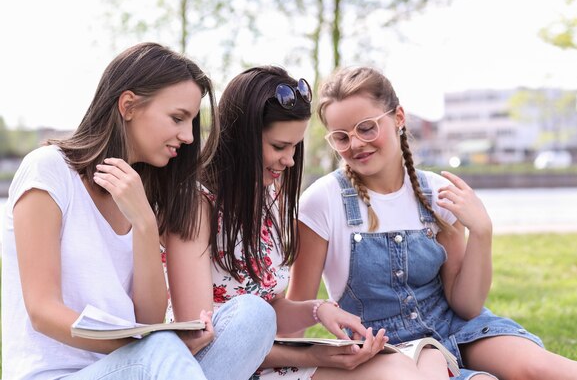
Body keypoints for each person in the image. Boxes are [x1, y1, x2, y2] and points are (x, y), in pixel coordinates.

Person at [288, 65, 577, 380]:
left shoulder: (437, 192)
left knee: (537, 368)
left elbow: (466, 304)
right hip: (386, 347)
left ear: (398, 118)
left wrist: (481, 231)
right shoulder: (322, 201)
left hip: (456, 327)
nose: (356, 144)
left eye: (366, 128)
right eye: (341, 137)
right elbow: (298, 311)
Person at [1, 42, 275, 380]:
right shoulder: (49, 170)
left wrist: (144, 223)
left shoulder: (143, 194)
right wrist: (153, 345)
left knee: (254, 315)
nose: (189, 136)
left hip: (143, 365)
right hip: (58, 374)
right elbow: (42, 311)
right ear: (129, 105)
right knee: (158, 350)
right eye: (178, 118)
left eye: (192, 122)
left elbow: (147, 318)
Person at [165, 65, 449, 380]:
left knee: (400, 367)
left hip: (264, 357)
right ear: (240, 140)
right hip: (215, 368)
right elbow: (201, 340)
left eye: (294, 147)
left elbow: (270, 310)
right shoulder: (196, 204)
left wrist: (318, 310)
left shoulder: (267, 199)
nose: (289, 160)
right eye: (278, 147)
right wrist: (313, 354)